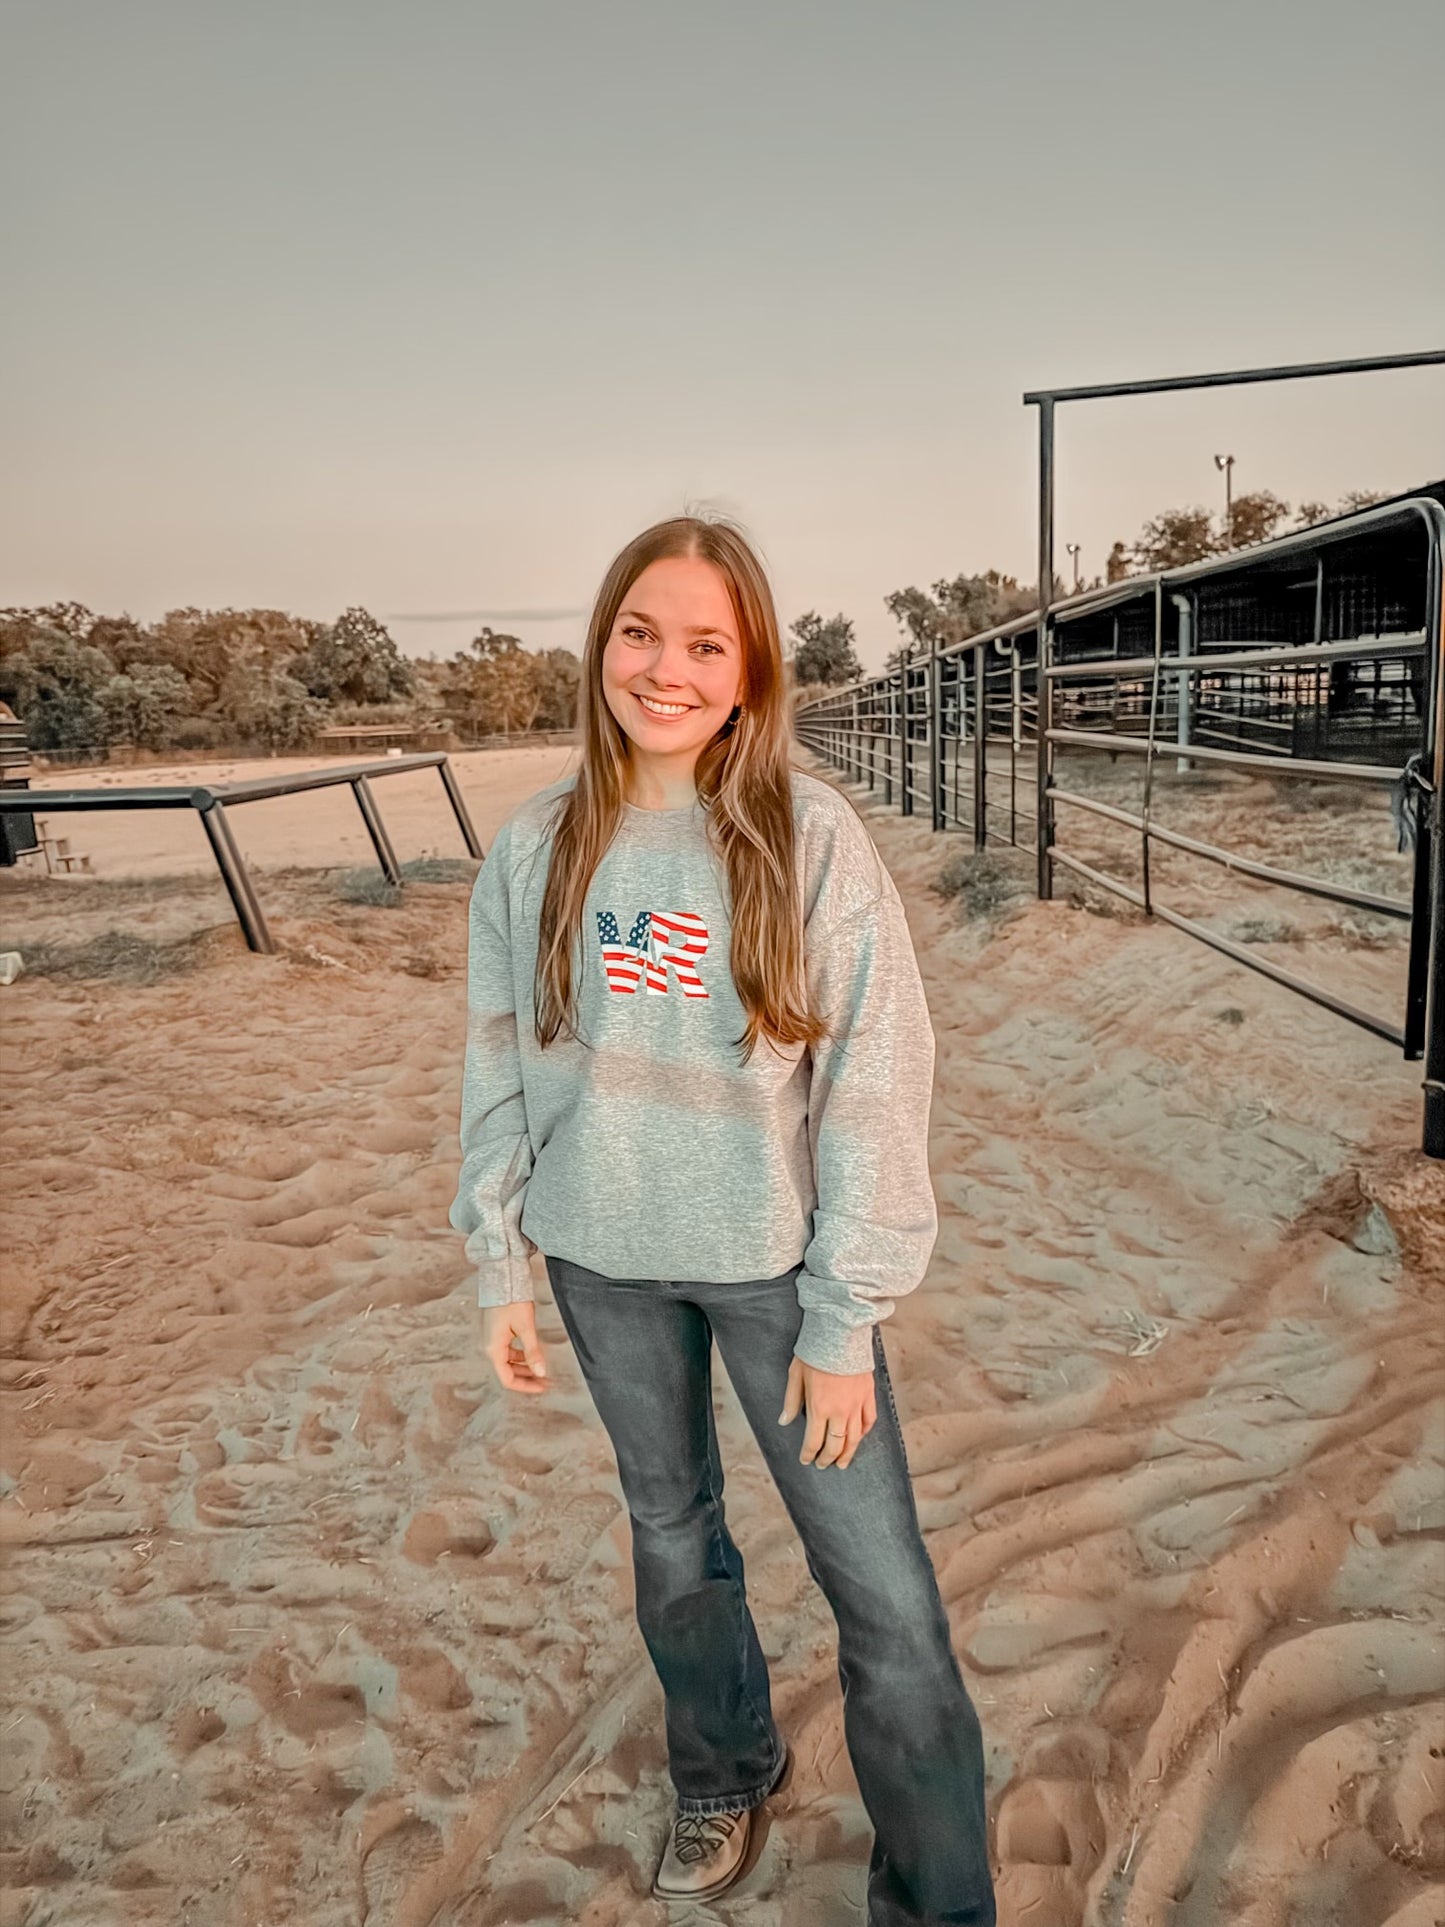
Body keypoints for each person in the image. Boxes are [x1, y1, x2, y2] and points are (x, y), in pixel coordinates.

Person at [448, 513, 996, 1924]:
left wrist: (844, 1315)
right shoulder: (533, 847)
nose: (666, 669)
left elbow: (878, 1074)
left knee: (883, 1599)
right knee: (671, 1539)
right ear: (601, 646)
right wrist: (502, 1260)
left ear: (748, 671)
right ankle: (725, 1769)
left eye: (705, 644)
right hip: (602, 1265)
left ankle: (938, 1902)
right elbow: (499, 1056)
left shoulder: (807, 837)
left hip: (777, 1275)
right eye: (640, 633)